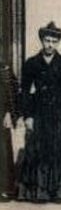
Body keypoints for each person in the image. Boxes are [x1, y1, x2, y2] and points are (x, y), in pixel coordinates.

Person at [19, 21, 61, 201]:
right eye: (47, 40)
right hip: (39, 113)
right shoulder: (31, 63)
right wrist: (28, 116)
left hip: (59, 113)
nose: (50, 44)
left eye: (54, 41)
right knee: (38, 150)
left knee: (59, 150)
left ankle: (57, 192)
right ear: (41, 41)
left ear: (58, 42)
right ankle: (40, 192)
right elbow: (25, 92)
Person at [1, 61, 19, 201]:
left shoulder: (4, 68)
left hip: (1, 115)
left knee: (3, 152)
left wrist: (9, 113)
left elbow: (12, 91)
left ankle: (4, 188)